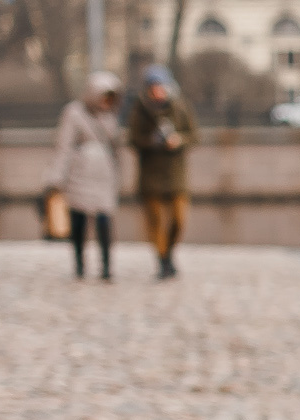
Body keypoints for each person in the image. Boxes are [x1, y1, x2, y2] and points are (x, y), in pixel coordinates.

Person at [48, 72, 124, 279]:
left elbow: (116, 148)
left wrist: (121, 176)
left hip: (104, 175)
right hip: (80, 174)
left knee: (104, 220)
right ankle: (80, 263)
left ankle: (107, 266)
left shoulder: (111, 115)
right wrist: (56, 178)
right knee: (78, 219)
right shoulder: (74, 113)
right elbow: (64, 146)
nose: (106, 102)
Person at [126, 65, 198, 278]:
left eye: (160, 86)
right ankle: (162, 259)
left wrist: (179, 140)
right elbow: (133, 139)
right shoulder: (140, 110)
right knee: (155, 220)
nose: (157, 91)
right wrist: (152, 142)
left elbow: (194, 134)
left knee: (179, 218)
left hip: (176, 173)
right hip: (151, 174)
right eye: (153, 87)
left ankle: (169, 252)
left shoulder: (180, 108)